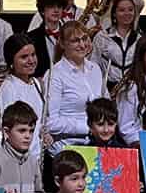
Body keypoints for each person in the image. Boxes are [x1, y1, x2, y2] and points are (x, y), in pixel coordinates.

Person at [44, 21, 104, 155]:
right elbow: (50, 122)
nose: (82, 45)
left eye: (84, 38)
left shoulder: (95, 69)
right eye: (75, 41)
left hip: (94, 144)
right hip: (66, 149)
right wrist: (88, 128)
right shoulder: (55, 74)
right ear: (62, 44)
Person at [0, 33, 47, 159]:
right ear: (11, 61)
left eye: (33, 55)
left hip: (37, 156)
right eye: (24, 57)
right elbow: (8, 128)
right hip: (19, 158)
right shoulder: (9, 88)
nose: (31, 61)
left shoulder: (36, 84)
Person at [0, 102, 43, 193]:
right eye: (22, 131)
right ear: (6, 132)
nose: (28, 136)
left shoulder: (33, 161)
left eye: (31, 131)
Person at [93, 0, 141, 89]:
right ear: (114, 14)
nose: (127, 13)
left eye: (130, 10)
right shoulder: (102, 37)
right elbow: (94, 64)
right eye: (122, 10)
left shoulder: (139, 38)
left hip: (133, 89)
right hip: (108, 89)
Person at [27, 0, 69, 81]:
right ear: (42, 11)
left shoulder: (69, 34)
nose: (56, 10)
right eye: (51, 7)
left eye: (59, 7)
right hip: (41, 83)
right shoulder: (31, 37)